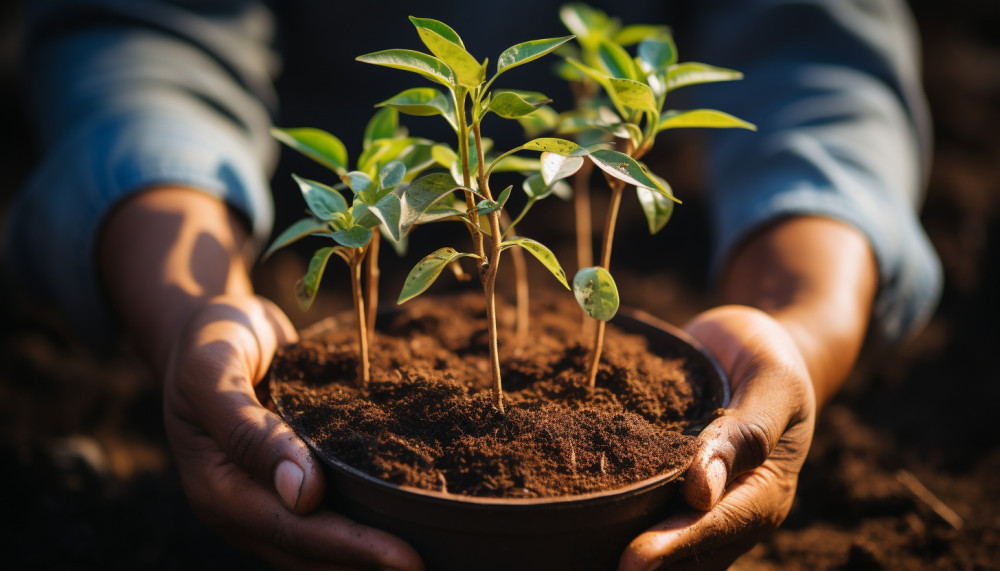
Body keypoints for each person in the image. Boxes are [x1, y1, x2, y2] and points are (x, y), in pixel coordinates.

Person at [5, 0, 940, 569]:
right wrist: (189, 310)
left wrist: (795, 320)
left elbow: (819, 53)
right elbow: (140, 36)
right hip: (281, 208)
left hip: (637, 229)